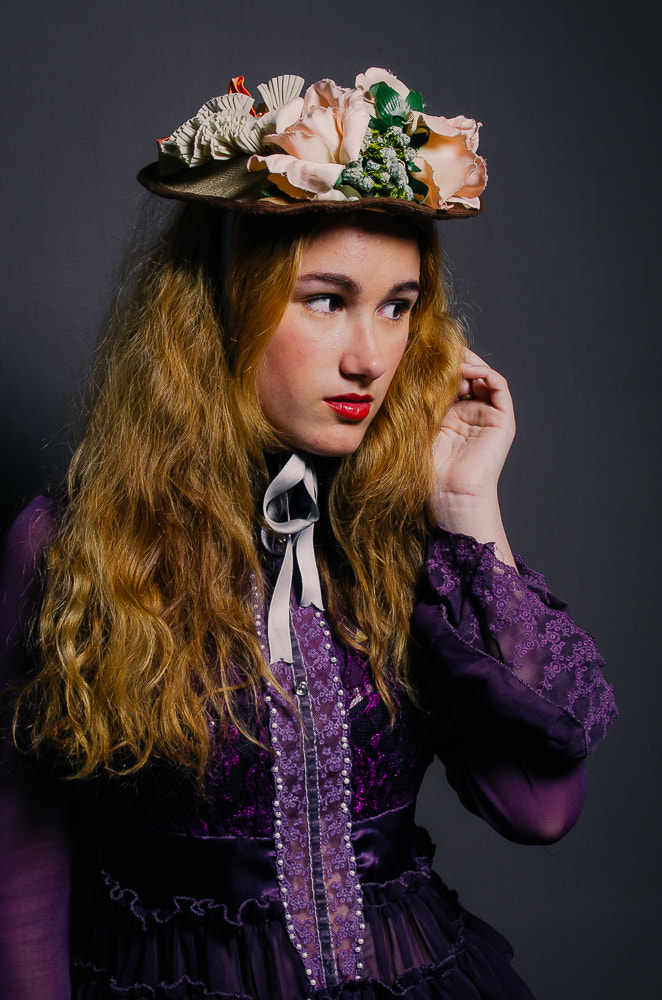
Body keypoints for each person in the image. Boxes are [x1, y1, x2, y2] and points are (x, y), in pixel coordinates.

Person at [0, 68, 616, 999]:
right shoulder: (67, 547)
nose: (370, 356)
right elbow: (21, 876)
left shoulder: (411, 542)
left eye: (398, 305)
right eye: (326, 299)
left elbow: (540, 810)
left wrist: (468, 515)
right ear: (219, 308)